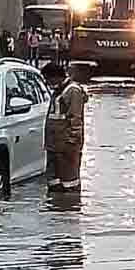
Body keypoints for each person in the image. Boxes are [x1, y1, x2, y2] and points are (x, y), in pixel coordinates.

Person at [42, 60, 88, 192]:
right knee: (54, 184)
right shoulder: (58, 91)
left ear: (56, 77)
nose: (47, 83)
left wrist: (72, 142)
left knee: (69, 184)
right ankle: (56, 208)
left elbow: (76, 119)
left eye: (47, 79)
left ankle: (69, 208)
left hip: (67, 147)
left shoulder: (72, 91)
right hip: (54, 146)